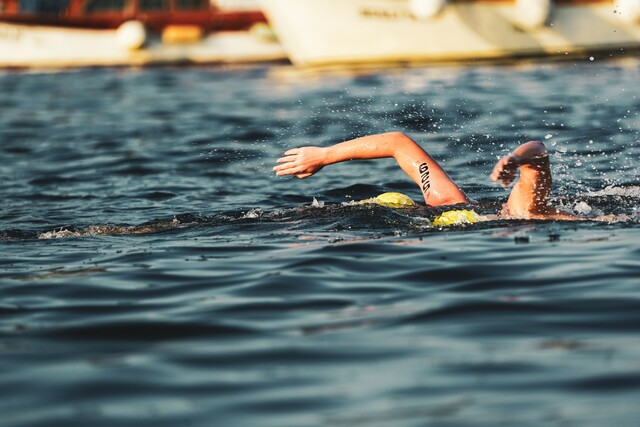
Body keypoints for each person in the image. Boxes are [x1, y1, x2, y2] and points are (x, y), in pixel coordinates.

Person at [273, 131, 579, 220]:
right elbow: (397, 143)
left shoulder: (525, 212)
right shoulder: (449, 201)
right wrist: (324, 155)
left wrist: (514, 159)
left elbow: (538, 151)